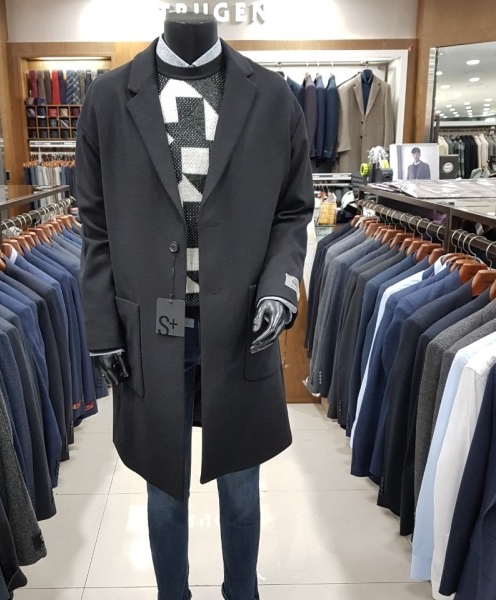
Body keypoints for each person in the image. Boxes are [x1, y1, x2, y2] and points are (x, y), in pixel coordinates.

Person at [76, 11, 313, 600]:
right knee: (163, 488)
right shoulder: (108, 98)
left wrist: (281, 286)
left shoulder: (272, 96)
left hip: (242, 325)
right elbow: (95, 227)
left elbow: (292, 210)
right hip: (151, 326)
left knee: (241, 484)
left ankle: (242, 592)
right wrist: (102, 327)